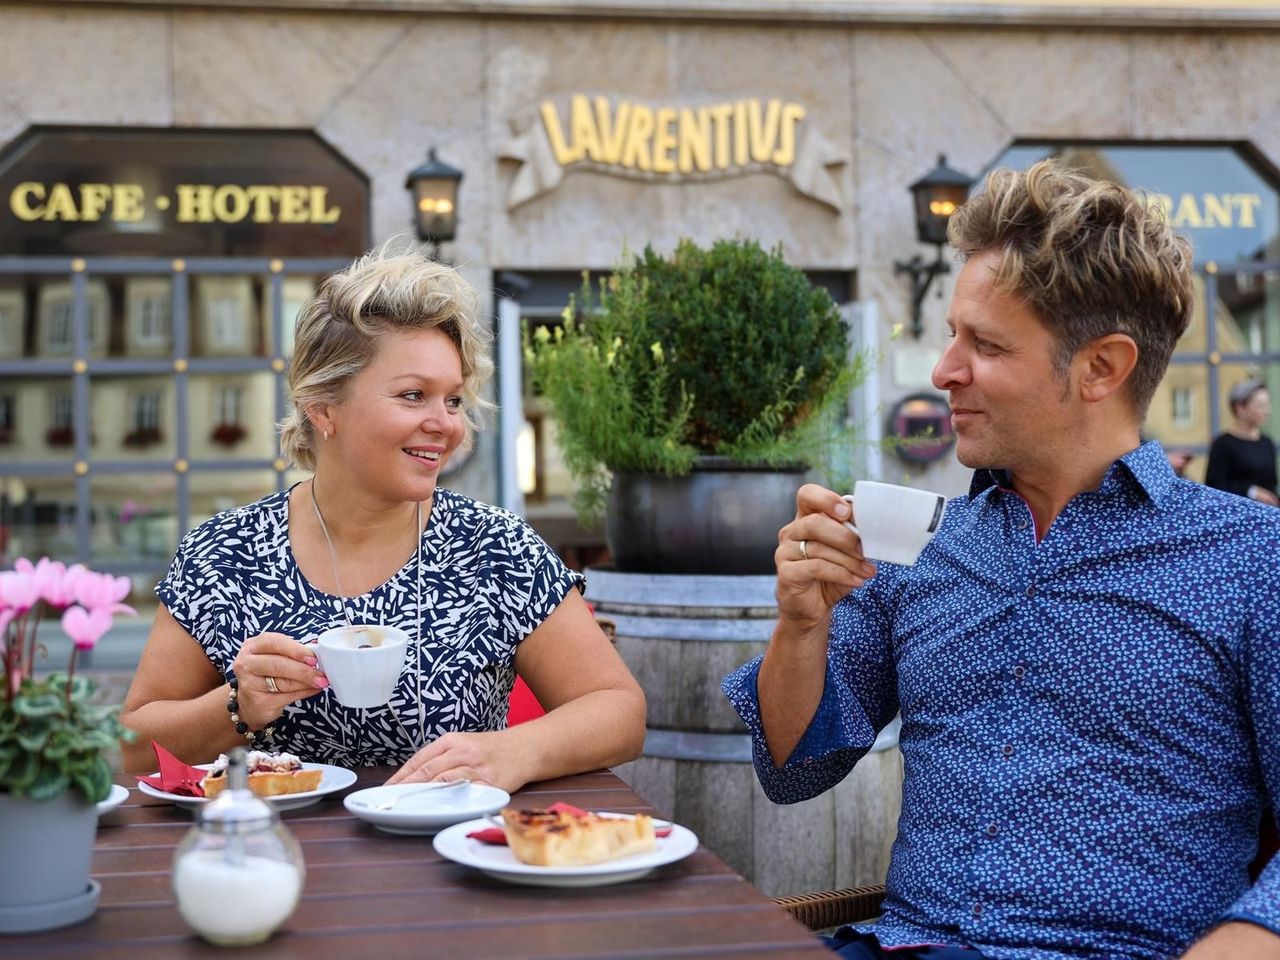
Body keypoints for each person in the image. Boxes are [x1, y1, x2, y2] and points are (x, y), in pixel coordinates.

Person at [723, 160, 1280, 960]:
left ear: (1102, 367)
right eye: (953, 334)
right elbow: (793, 771)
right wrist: (800, 625)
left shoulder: (1252, 562)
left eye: (984, 344)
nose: (945, 370)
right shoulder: (921, 546)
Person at [120, 246, 646, 792]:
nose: (445, 424)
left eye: (453, 401)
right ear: (324, 408)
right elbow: (131, 743)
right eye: (414, 395)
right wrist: (235, 706)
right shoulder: (224, 553)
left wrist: (514, 752)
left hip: (452, 859)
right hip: (275, 861)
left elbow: (619, 711)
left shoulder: (495, 548)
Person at [1204, 378, 1279, 505]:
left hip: (1267, 514)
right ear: (1240, 408)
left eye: (1267, 405)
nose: (1267, 411)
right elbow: (1214, 487)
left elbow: (1272, 485)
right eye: (1261, 405)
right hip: (1237, 516)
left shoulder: (1267, 443)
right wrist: (1251, 492)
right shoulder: (1223, 444)